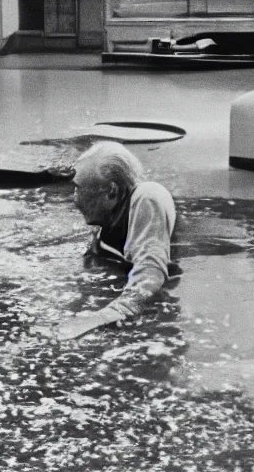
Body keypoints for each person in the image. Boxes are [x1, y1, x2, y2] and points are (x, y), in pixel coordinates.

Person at [53, 141, 177, 341]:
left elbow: (150, 273)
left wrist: (101, 317)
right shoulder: (106, 218)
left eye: (79, 189)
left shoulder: (148, 197)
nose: (74, 200)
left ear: (112, 191)